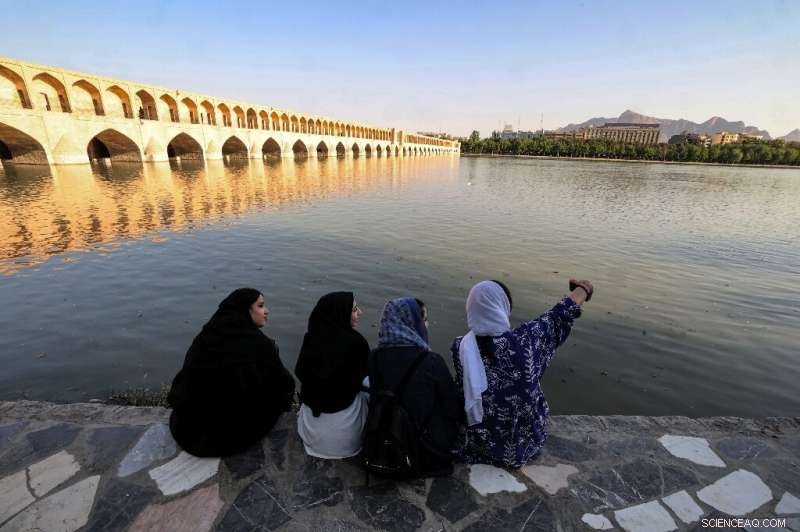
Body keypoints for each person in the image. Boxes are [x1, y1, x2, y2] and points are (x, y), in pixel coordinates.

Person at [451, 278, 593, 468]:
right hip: (522, 446)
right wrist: (582, 289)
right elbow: (559, 316)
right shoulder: (525, 342)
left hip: (478, 444)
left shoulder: (461, 347)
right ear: (502, 308)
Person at [167, 288, 295, 457]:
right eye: (261, 305)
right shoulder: (260, 346)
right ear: (245, 310)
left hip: (189, 432)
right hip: (230, 438)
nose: (267, 311)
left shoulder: (206, 337)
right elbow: (283, 385)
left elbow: (184, 383)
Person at [369, 297, 463, 476]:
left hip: (385, 444)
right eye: (424, 320)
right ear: (411, 323)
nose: (427, 325)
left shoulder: (374, 357)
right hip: (426, 450)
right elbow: (453, 408)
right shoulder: (431, 361)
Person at [295, 292, 371, 459]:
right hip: (347, 441)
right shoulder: (356, 342)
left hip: (310, 434)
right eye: (354, 309)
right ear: (341, 313)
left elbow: (300, 371)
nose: (360, 313)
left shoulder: (312, 338)